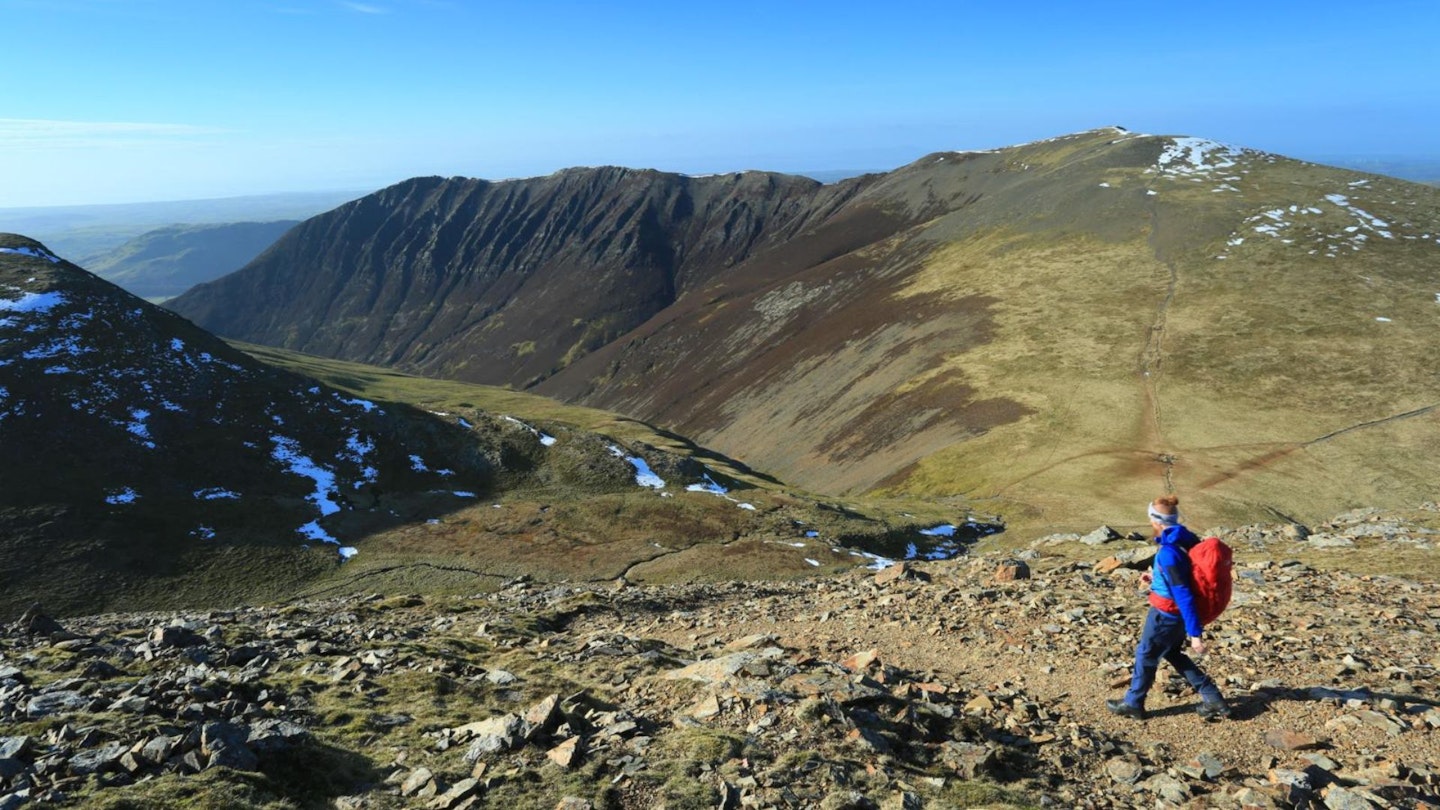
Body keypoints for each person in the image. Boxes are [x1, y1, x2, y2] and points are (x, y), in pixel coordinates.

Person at [1106, 494, 1230, 720]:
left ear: (1155, 521)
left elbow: (1182, 592)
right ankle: (1213, 698)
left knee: (1145, 654)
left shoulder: (1168, 552)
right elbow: (1184, 578)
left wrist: (1195, 634)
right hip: (1177, 613)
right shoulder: (1186, 539)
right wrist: (1154, 580)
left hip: (1167, 614)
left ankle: (1133, 703)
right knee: (1172, 652)